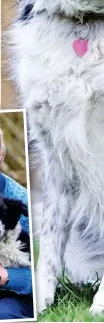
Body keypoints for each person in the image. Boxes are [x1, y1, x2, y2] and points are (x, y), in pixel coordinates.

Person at [0, 129, 34, 320]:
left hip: (15, 297)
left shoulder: (21, 200)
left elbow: (38, 275)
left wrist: (6, 276)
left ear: (1, 154)